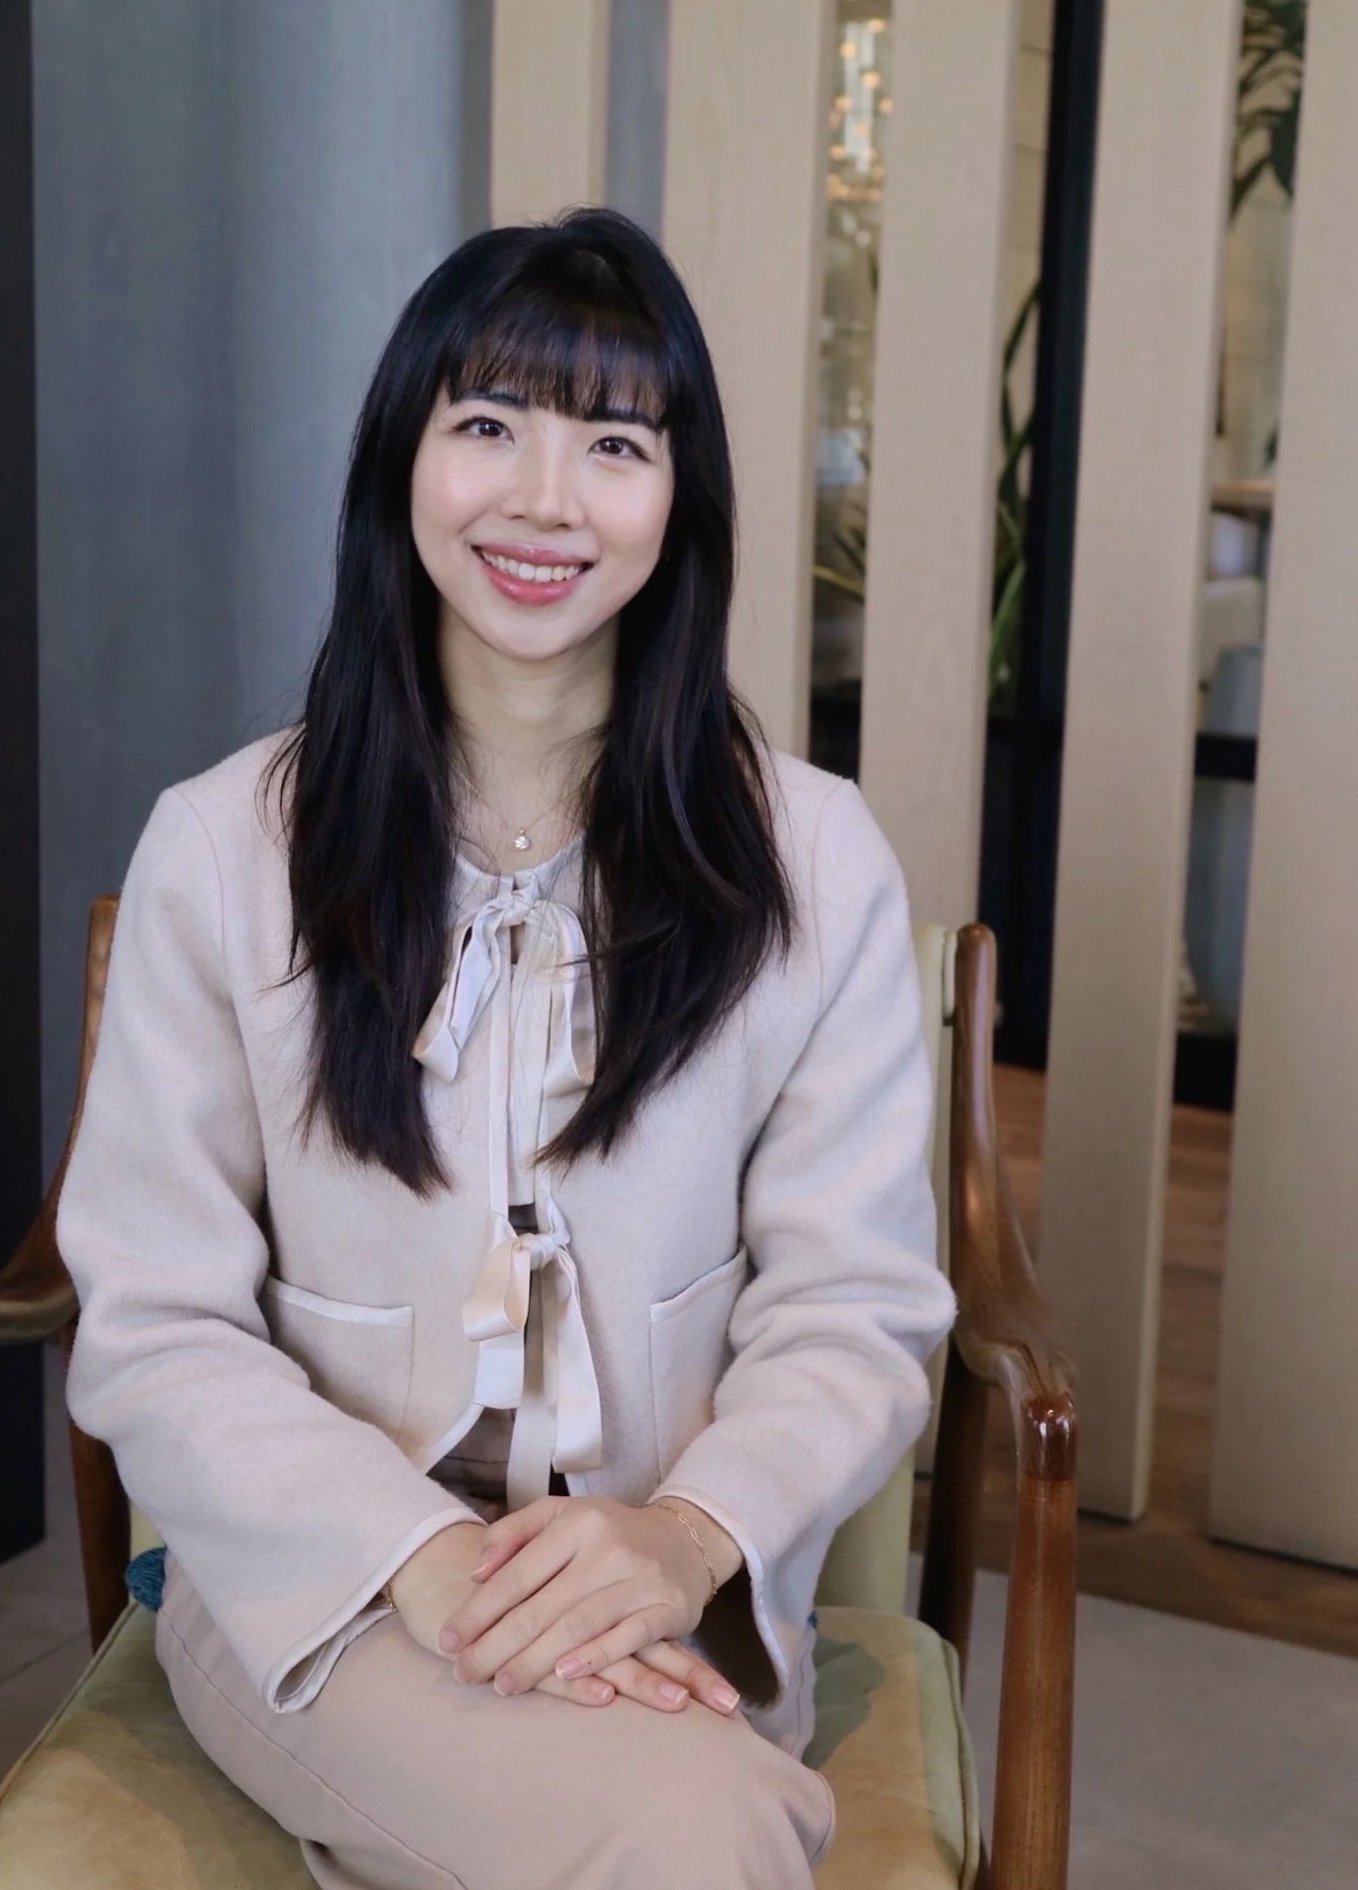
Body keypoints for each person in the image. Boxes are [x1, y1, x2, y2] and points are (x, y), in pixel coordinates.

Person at [58, 208, 955, 1889]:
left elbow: (861, 1309)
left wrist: (678, 1541)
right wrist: (421, 1563)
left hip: (659, 1606)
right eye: (488, 427)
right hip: (320, 1606)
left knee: (688, 1810)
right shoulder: (226, 850)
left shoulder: (816, 865)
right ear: (404, 461)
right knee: (707, 1834)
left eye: (613, 443)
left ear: (677, 499)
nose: (546, 500)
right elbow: (156, 1320)